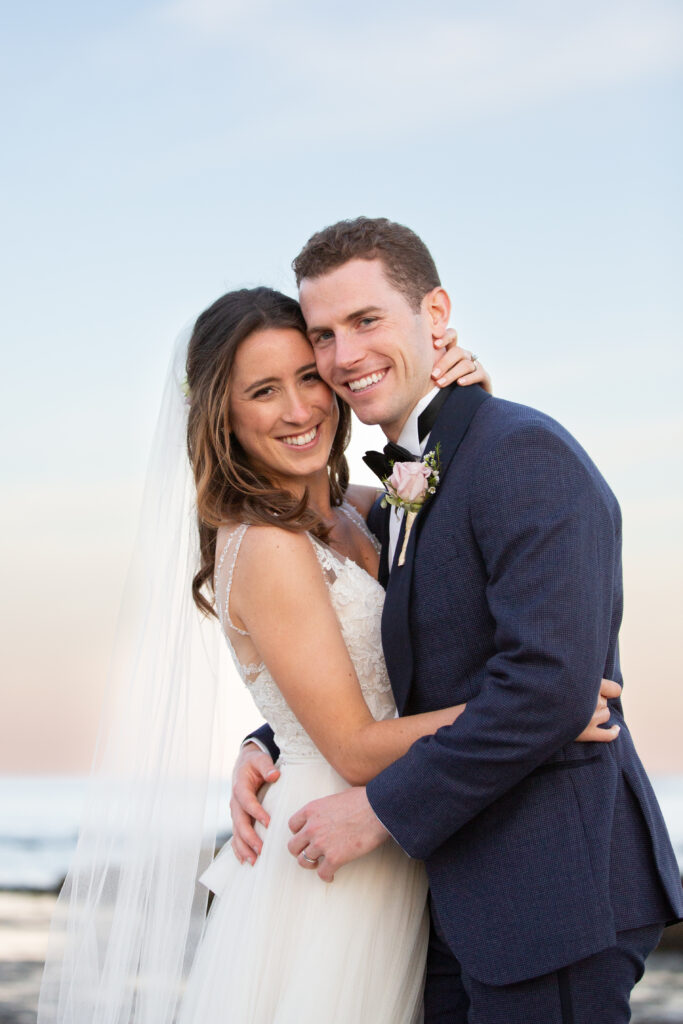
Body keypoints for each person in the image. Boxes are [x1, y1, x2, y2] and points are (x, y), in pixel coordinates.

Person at [232, 217, 683, 1024]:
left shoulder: (521, 454)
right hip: (456, 892)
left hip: (549, 893)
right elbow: (404, 650)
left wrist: (377, 810)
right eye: (323, 334)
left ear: (435, 313)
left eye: (366, 321)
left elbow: (549, 686)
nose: (342, 357)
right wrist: (272, 737)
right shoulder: (412, 474)